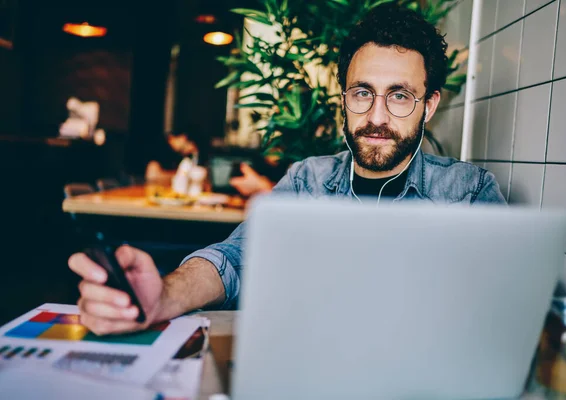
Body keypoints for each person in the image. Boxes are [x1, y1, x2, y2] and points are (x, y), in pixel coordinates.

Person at [68, 5, 505, 335]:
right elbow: (234, 259)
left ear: (428, 105)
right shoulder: (306, 181)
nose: (376, 116)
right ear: (344, 99)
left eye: (399, 96)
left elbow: (508, 306)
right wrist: (164, 295)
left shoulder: (467, 192)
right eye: (362, 92)